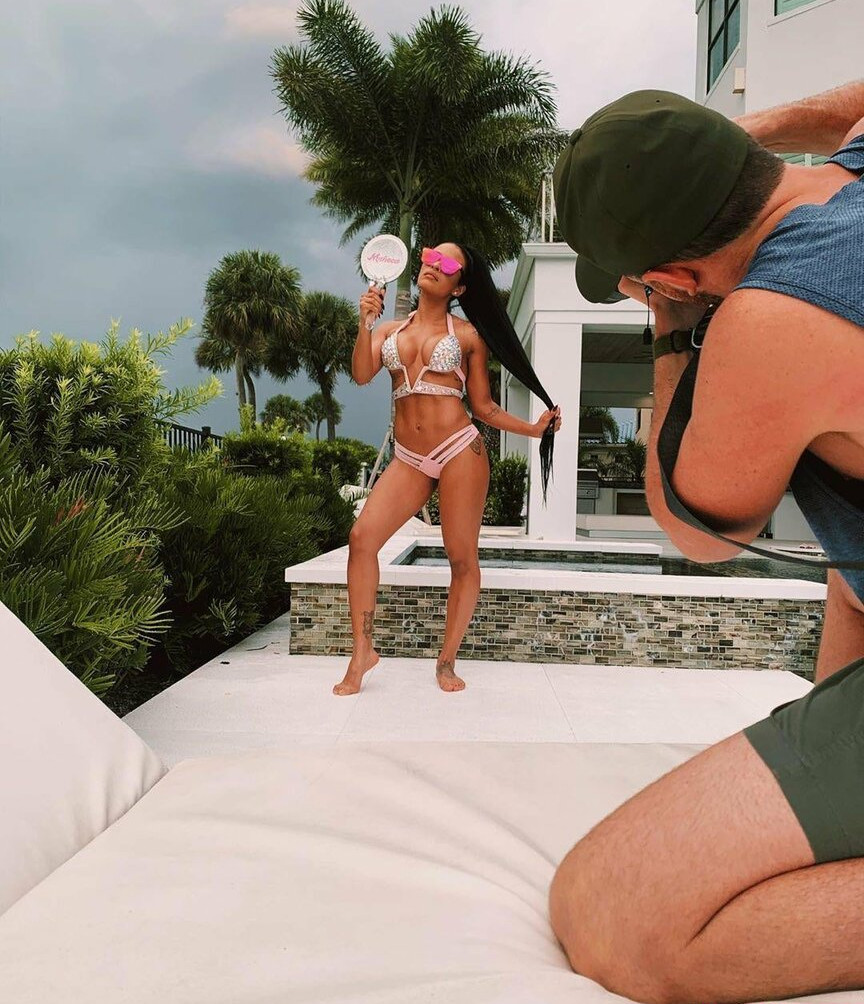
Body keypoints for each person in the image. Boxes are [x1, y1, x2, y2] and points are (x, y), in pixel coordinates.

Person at [547, 81, 864, 1003]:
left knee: (613, 916)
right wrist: (748, 132)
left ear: (678, 277)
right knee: (848, 575)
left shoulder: (771, 318)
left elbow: (700, 530)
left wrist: (672, 334)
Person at [333, 242, 561, 696]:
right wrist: (365, 323)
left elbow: (484, 407)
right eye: (431, 255)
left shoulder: (469, 336)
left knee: (461, 558)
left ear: (459, 286)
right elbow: (360, 374)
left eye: (448, 263)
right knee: (361, 539)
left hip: (459, 450)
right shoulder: (390, 330)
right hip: (409, 458)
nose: (434, 265)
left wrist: (534, 431)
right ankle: (362, 652)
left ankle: (447, 660)